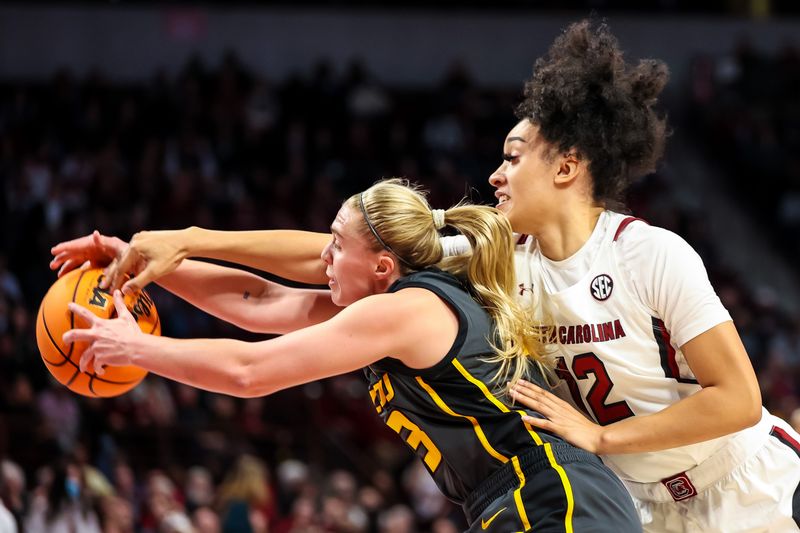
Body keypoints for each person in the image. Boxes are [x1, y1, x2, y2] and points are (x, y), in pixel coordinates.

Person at [52, 20, 800, 533]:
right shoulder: (497, 258)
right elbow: (333, 255)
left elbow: (738, 398)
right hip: (638, 499)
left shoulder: (652, 254)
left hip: (744, 479)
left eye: (514, 156)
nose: (494, 173)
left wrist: (606, 442)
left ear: (567, 167)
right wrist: (185, 242)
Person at [58, 180, 641, 532]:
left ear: (383, 267)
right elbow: (258, 299)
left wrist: (139, 348)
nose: (324, 259)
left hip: (557, 496)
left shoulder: (407, 309)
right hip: (514, 498)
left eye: (336, 245)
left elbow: (249, 371)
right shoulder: (382, 311)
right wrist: (144, 265)